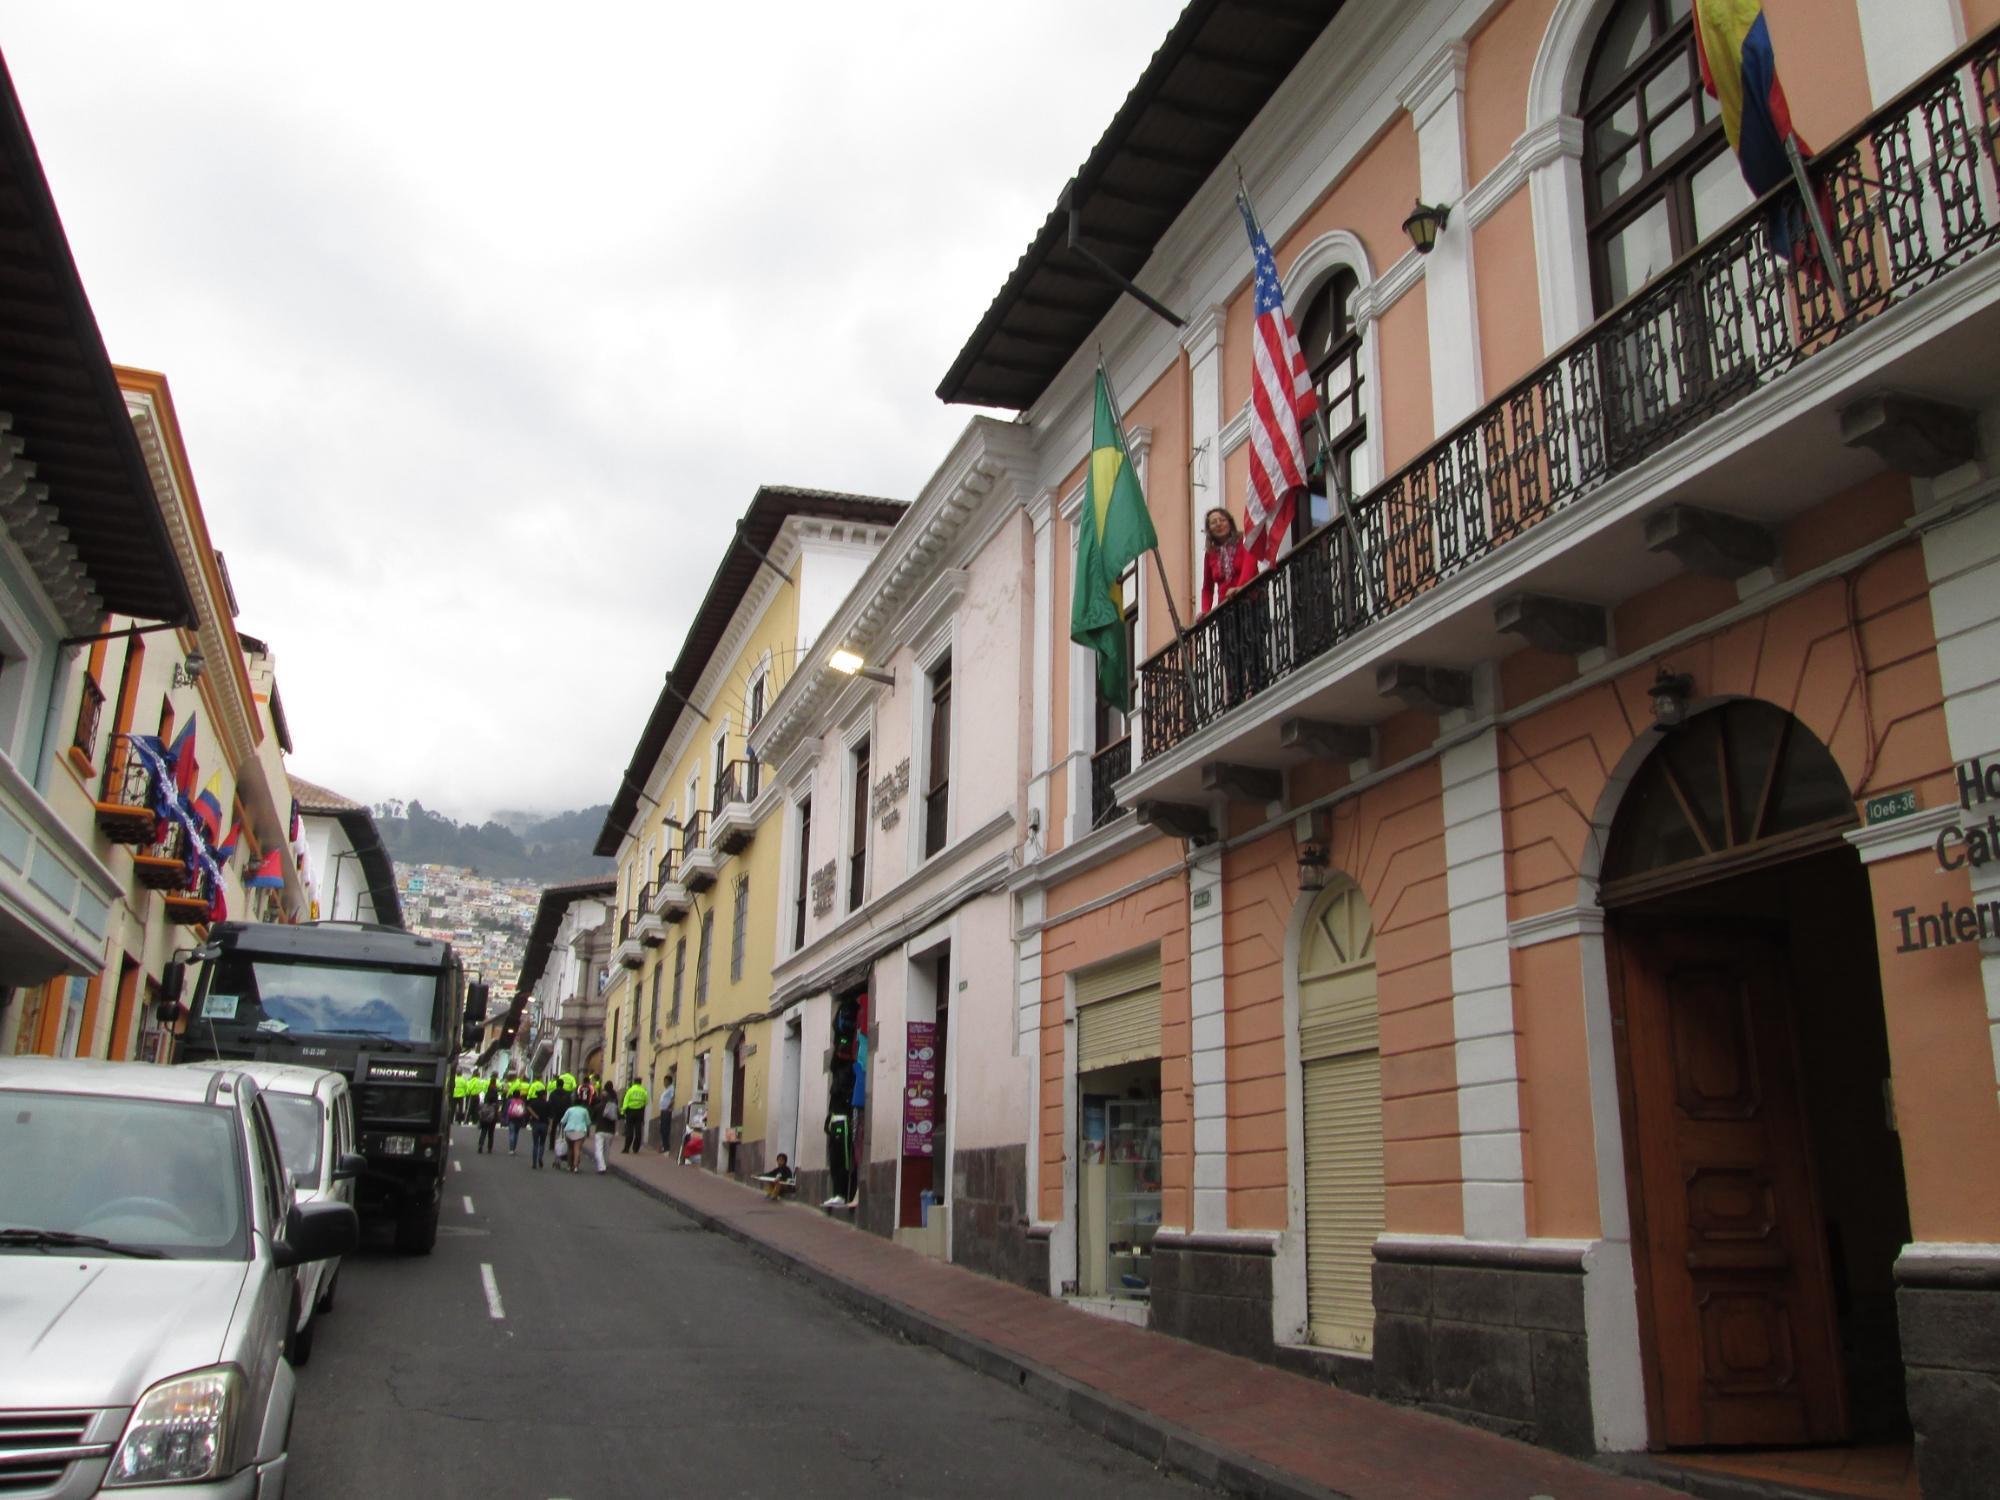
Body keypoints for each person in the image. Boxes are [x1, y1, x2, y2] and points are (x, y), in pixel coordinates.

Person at [1199, 506, 1256, 614]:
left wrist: (1240, 588)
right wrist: (1205, 611)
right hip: (1226, 610)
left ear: (1230, 523)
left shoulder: (1244, 541)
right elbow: (1207, 587)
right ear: (1209, 529)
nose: (1219, 524)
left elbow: (1250, 566)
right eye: (1213, 522)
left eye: (1222, 520)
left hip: (1250, 602)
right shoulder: (1210, 554)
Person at [558, 1096, 591, 1174]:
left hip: (569, 1130)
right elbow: (588, 1122)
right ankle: (575, 1166)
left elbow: (563, 1121)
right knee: (577, 1149)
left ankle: (569, 1166)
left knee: (570, 1149)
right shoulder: (584, 1111)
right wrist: (588, 1132)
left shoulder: (569, 1110)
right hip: (580, 1131)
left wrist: (561, 1130)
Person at [619, 1077, 649, 1154]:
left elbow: (626, 1101)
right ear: (640, 1082)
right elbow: (647, 1102)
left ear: (634, 1082)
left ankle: (626, 1148)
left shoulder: (630, 1090)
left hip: (630, 1112)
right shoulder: (643, 1091)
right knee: (638, 1131)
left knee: (629, 1130)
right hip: (639, 1112)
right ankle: (636, 1148)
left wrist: (623, 1111)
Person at [527, 1085, 553, 1170]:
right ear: (543, 1095)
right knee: (542, 1143)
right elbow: (550, 1116)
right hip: (544, 1124)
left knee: (535, 1144)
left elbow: (528, 1107)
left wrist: (534, 1115)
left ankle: (534, 1163)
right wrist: (550, 1126)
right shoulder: (548, 1104)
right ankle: (540, 1158)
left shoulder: (533, 1102)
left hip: (535, 1124)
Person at [656, 1072, 677, 1155]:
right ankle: (664, 1146)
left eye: (665, 1081)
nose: (664, 1083)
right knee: (662, 1129)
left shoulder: (671, 1088)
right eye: (664, 1081)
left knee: (665, 1129)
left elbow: (672, 1098)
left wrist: (668, 1107)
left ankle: (666, 1147)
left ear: (669, 1081)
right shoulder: (666, 1089)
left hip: (666, 1111)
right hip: (663, 1111)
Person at [475, 1089, 499, 1154]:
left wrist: (480, 1119)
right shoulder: (495, 1106)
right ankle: (489, 1148)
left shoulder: (484, 1105)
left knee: (483, 1133)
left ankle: (480, 1145)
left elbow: (480, 1112)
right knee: (491, 1135)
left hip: (484, 1121)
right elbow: (496, 1114)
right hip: (492, 1121)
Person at [505, 1090, 528, 1155]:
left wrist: (505, 1118)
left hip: (511, 1118)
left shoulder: (510, 1101)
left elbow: (506, 1110)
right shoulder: (522, 1102)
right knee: (516, 1134)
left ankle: (511, 1149)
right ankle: (514, 1148)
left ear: (513, 1094)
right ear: (519, 1095)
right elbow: (524, 1111)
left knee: (511, 1133)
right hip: (519, 1119)